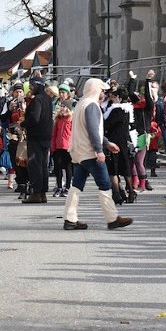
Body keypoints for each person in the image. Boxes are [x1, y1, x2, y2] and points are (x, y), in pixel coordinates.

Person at [61, 78, 133, 231]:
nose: (104, 94)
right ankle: (112, 218)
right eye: (102, 91)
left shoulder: (81, 103)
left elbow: (90, 130)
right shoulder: (92, 105)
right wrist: (100, 149)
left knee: (77, 185)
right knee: (105, 184)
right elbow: (93, 130)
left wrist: (106, 143)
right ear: (96, 90)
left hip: (78, 151)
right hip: (90, 152)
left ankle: (70, 218)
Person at [22, 77, 53, 203]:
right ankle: (42, 193)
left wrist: (24, 124)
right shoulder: (47, 98)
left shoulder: (38, 100)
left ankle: (36, 193)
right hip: (46, 136)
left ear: (37, 85)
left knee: (35, 164)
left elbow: (35, 118)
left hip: (36, 137)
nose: (30, 88)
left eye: (31, 85)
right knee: (43, 165)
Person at [51, 100, 74, 198]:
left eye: (64, 106)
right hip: (58, 146)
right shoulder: (58, 120)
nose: (62, 108)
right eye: (61, 106)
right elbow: (54, 134)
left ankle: (68, 186)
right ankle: (59, 186)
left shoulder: (71, 119)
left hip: (67, 147)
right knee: (58, 168)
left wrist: (73, 146)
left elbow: (74, 134)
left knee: (68, 168)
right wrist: (52, 146)